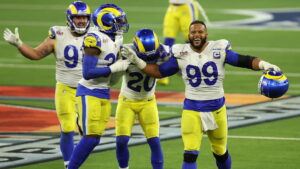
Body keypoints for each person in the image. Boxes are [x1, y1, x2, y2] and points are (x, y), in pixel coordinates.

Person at [121, 20, 281, 169]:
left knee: (220, 151)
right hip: (192, 109)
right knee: (190, 154)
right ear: (188, 35)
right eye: (193, 32)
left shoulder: (219, 48)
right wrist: (138, 61)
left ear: (206, 34)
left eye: (200, 32)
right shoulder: (180, 52)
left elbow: (244, 60)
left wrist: (264, 64)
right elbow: (158, 72)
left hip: (217, 109)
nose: (196, 35)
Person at [3, 1, 93, 168]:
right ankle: (69, 164)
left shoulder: (95, 35)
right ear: (69, 18)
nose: (81, 21)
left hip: (89, 90)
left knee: (92, 132)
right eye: (78, 17)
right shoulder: (58, 35)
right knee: (67, 127)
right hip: (65, 88)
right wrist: (19, 44)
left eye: (84, 17)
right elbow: (36, 54)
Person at [67, 4, 129, 169]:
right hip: (89, 91)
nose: (122, 24)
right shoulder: (94, 38)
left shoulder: (116, 37)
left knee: (95, 139)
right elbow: (88, 72)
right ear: (106, 22)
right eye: (118, 21)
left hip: (104, 91)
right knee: (90, 137)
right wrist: (113, 68)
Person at [115, 29, 168, 169]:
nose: (149, 60)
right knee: (121, 140)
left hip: (148, 101)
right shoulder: (125, 51)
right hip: (127, 100)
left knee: (154, 140)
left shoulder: (164, 51)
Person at [159, 0, 209, 86]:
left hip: (186, 6)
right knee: (168, 40)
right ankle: (164, 74)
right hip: (172, 7)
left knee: (193, 40)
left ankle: (199, 69)